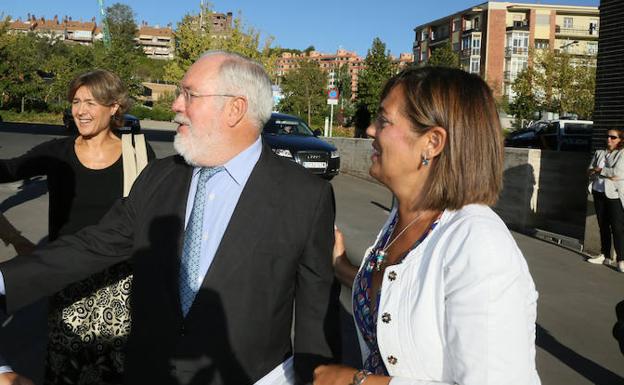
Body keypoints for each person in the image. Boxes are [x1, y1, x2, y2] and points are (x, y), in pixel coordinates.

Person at [0, 51, 340, 385]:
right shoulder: (158, 177)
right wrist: (4, 281)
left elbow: (317, 318)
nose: (176, 105)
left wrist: (317, 376)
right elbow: (92, 245)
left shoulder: (305, 197)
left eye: (189, 94)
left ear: (235, 108)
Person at [316, 67, 540, 385]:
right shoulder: (404, 220)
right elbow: (402, 296)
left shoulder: (479, 244)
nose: (369, 130)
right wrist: (342, 268)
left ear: (432, 142)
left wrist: (356, 382)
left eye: (384, 120)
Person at [0, 69, 155, 384]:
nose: (81, 111)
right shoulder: (57, 152)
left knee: (115, 368)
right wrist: (14, 238)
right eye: (76, 101)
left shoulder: (138, 153)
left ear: (114, 107)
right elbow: (10, 168)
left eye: (91, 102)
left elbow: (151, 217)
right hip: (65, 277)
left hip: (119, 281)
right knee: (65, 368)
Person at [587, 129, 624, 272]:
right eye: (607, 136)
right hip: (598, 192)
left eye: (613, 137)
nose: (609, 139)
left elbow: (617, 174)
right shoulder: (599, 153)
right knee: (602, 225)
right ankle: (605, 255)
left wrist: (599, 170)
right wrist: (595, 170)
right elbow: (589, 170)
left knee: (617, 227)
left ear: (620, 139)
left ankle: (621, 259)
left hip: (613, 194)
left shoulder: (621, 153)